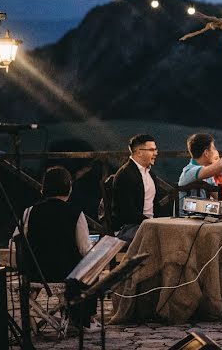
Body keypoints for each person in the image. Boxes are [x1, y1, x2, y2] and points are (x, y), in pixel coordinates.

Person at [15, 166, 97, 328]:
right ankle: (85, 319)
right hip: (66, 273)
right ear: (69, 188)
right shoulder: (76, 213)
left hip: (35, 272)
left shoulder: (29, 212)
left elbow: (15, 241)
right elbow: (84, 249)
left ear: (43, 188)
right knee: (91, 271)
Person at [112, 133, 170, 242]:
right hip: (128, 228)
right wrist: (151, 224)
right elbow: (127, 212)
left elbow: (156, 205)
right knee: (163, 239)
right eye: (152, 150)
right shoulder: (125, 174)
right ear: (139, 152)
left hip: (148, 225)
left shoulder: (150, 174)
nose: (156, 153)